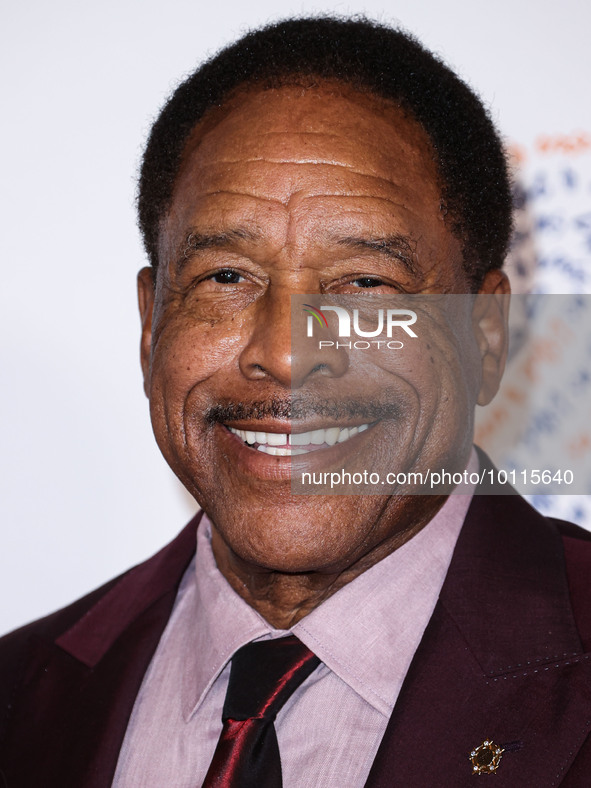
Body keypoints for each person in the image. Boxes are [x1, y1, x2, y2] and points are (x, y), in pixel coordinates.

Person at [1, 16, 590, 787]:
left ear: (483, 336)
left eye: (363, 283)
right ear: (151, 324)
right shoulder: (19, 697)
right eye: (225, 277)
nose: (282, 353)